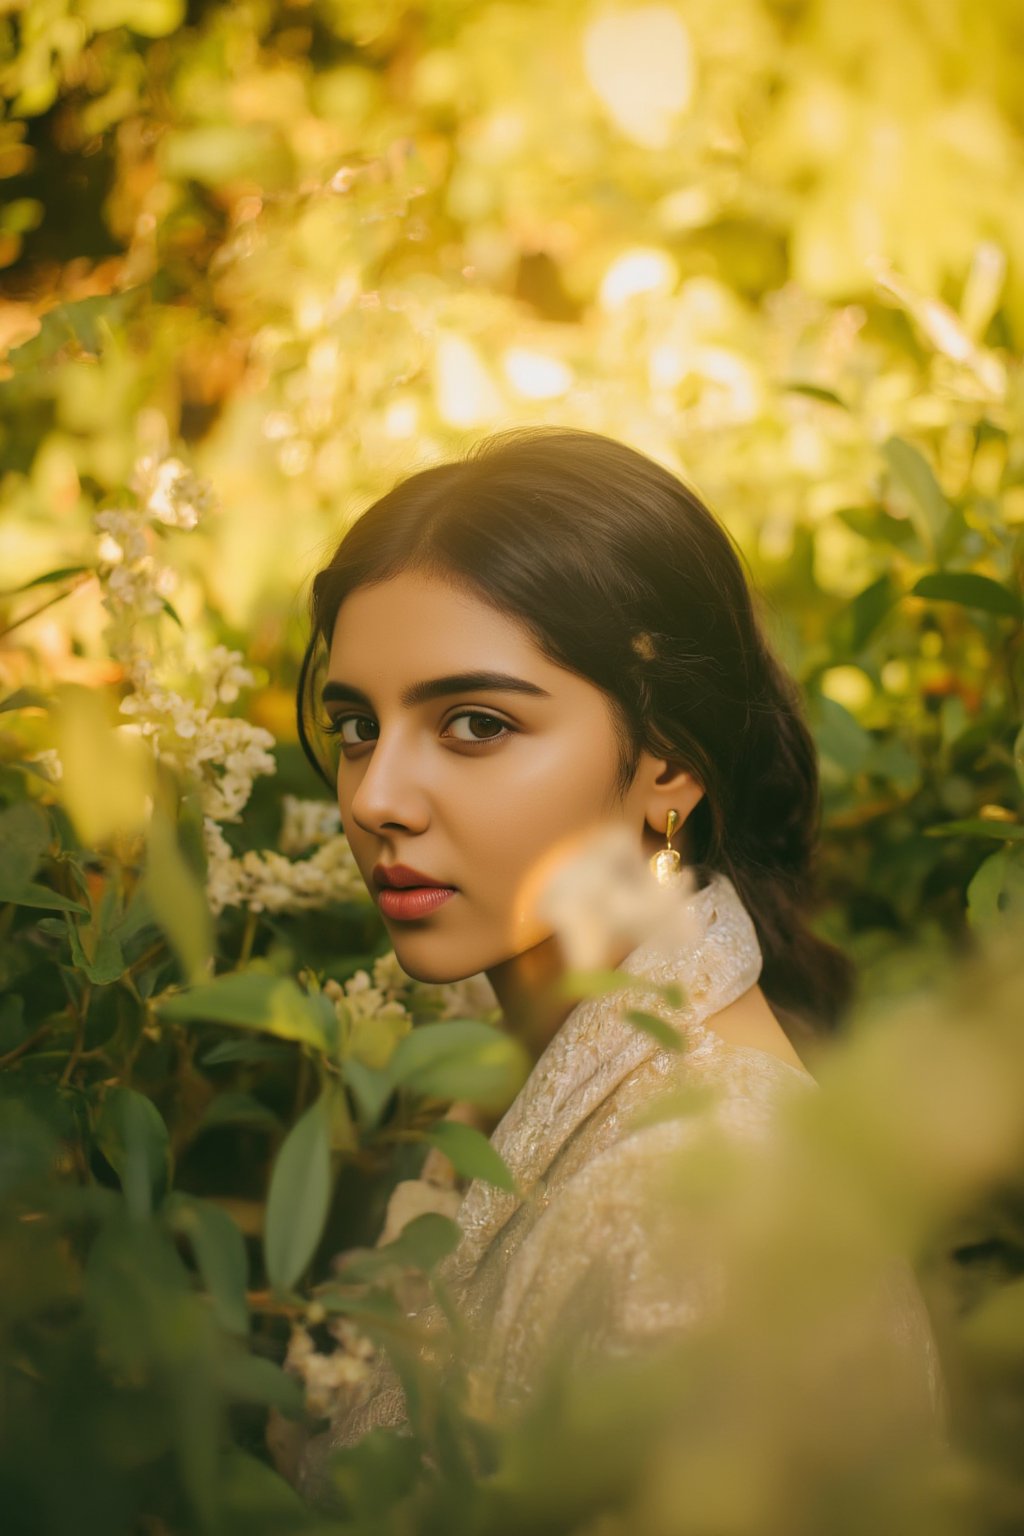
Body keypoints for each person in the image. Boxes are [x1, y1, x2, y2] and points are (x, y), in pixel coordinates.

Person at [290, 426, 946, 1503]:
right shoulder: (510, 1045)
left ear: (669, 763)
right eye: (355, 725)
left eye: (473, 723)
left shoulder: (703, 1211)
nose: (373, 798)